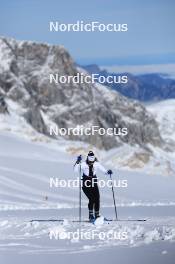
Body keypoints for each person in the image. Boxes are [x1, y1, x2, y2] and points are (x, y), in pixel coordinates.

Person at [74, 151, 113, 221]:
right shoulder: (83, 164)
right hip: (86, 183)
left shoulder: (96, 164)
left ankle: (97, 215)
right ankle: (91, 215)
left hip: (94, 182)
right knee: (91, 198)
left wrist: (108, 172)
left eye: (92, 161)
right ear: (88, 159)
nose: (91, 163)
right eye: (90, 162)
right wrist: (77, 162)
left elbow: (104, 171)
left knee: (97, 198)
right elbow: (75, 170)